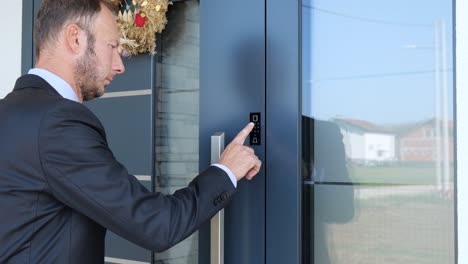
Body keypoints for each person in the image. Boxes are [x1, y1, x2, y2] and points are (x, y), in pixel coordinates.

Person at [0, 0, 262, 263]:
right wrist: (226, 170)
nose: (119, 65)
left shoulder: (9, 112)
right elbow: (159, 225)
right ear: (75, 38)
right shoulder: (57, 123)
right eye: (112, 47)